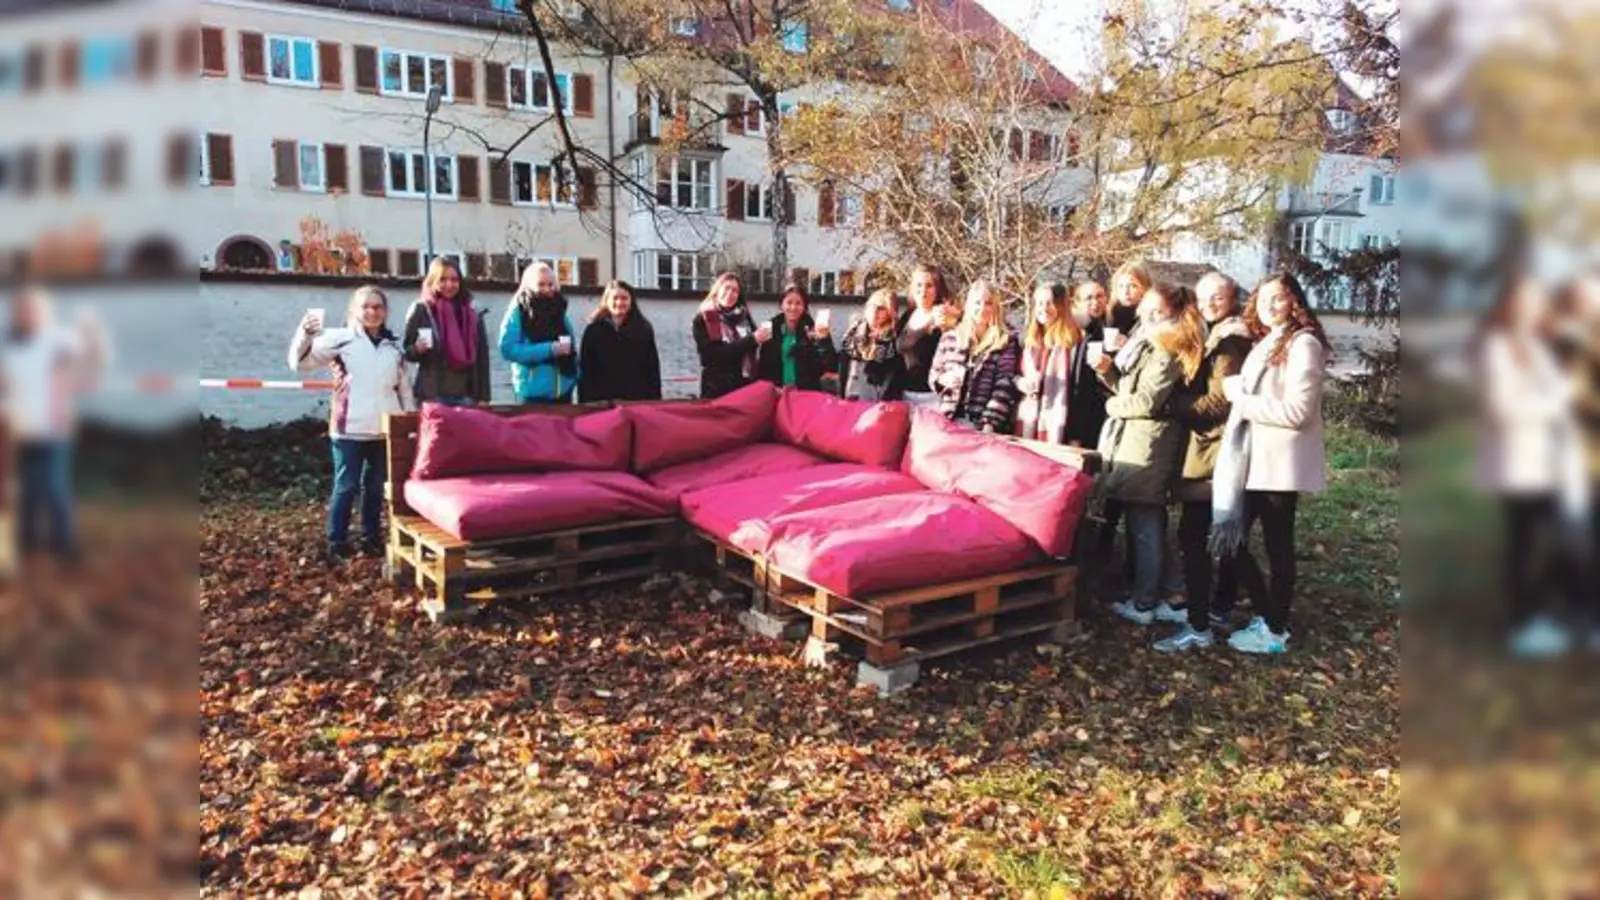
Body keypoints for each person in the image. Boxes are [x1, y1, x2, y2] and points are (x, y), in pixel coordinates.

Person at [1215, 272, 1332, 654]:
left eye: (1278, 298)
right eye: (1263, 299)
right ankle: (1268, 614)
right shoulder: (1269, 340)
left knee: (1278, 548)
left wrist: (1241, 401)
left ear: (1294, 301)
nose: (1268, 305)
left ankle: (1275, 627)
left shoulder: (1304, 344)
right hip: (1251, 459)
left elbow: (1298, 411)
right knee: (1232, 539)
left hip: (1279, 464)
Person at [1471, 274, 1587, 657]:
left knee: (1566, 540)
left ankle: (1547, 614)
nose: (1533, 308)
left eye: (1539, 301)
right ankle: (1523, 624)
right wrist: (1559, 397)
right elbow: (1506, 409)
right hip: (1516, 465)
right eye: (1526, 300)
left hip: (1550, 462)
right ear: (1511, 304)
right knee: (1524, 545)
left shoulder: (1540, 346)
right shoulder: (1498, 347)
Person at [1091, 281, 1203, 626]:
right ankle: (1173, 594)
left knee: (1144, 526)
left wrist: (1111, 405)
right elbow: (1130, 388)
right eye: (1148, 309)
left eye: (1159, 311)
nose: (1150, 315)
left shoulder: (1167, 348)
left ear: (1173, 314)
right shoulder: (1147, 340)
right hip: (1134, 440)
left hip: (1148, 446)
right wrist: (1107, 372)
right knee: (1148, 522)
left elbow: (1146, 402)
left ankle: (1144, 603)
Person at [1154, 271, 1255, 652]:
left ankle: (1201, 624)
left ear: (1231, 300)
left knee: (1197, 538)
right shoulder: (1213, 336)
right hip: (1208, 453)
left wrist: (1172, 402)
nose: (1211, 302)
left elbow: (1218, 402)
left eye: (1220, 297)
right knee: (1218, 540)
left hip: (1214, 455)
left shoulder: (1229, 343)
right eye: (1205, 296)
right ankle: (1218, 610)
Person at [288, 286, 413, 564]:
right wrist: (305, 334)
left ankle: (371, 537)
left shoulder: (393, 347)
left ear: (385, 312)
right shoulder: (337, 339)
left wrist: (408, 420)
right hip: (349, 429)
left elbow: (403, 388)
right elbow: (299, 363)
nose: (372, 312)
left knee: (375, 487)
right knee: (346, 486)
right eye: (366, 306)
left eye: (377, 307)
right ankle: (337, 541)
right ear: (355, 310)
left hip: (384, 429)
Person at [0, 287, 105, 568]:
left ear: (43, 312)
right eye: (22, 310)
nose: (26, 315)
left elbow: (89, 364)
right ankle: (29, 546)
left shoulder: (59, 341)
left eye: (32, 309)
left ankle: (64, 547)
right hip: (16, 431)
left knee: (52, 488)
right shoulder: (8, 345)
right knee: (24, 492)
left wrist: (92, 333)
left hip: (53, 430)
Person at [929, 280, 1021, 432]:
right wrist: (943, 380)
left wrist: (990, 423)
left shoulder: (1006, 341)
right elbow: (934, 375)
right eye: (977, 302)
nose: (982, 308)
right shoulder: (950, 337)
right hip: (949, 420)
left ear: (996, 307)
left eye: (988, 303)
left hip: (984, 424)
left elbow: (1004, 385)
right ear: (969, 305)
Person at [402, 257, 490, 406]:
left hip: (467, 395)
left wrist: (484, 397)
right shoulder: (422, 310)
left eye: (454, 279)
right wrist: (417, 349)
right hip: (432, 395)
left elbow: (482, 358)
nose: (449, 285)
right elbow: (406, 352)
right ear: (433, 281)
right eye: (442, 279)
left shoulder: (472, 312)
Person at [1015, 281, 1085, 444]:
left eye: (1050, 303)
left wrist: (1077, 434)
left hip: (1061, 427)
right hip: (1025, 420)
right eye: (1039, 303)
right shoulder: (1025, 340)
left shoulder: (1074, 342)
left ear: (1062, 306)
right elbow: (1012, 375)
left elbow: (1079, 391)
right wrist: (1020, 382)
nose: (1043, 308)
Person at [500, 262, 579, 403]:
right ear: (530, 284)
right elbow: (508, 349)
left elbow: (571, 346)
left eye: (550, 284)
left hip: (563, 391)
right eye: (541, 285)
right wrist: (549, 349)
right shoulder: (518, 312)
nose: (547, 289)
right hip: (532, 395)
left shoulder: (559, 309)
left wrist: (575, 375)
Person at [577, 280, 662, 403]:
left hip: (636, 401)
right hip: (601, 403)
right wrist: (585, 403)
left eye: (624, 298)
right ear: (606, 301)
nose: (619, 302)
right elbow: (585, 371)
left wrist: (654, 402)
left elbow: (652, 369)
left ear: (631, 301)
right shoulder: (593, 331)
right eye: (615, 298)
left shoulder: (643, 330)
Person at [892, 263, 960, 406]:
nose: (923, 291)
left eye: (929, 285)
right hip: (905, 396)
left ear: (937, 289)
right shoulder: (908, 315)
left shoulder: (942, 315)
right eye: (918, 285)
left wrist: (956, 317)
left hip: (932, 398)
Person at [692, 272, 765, 399]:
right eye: (727, 288)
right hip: (717, 388)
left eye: (735, 291)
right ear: (717, 290)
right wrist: (752, 339)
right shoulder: (705, 318)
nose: (730, 293)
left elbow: (752, 352)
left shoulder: (745, 317)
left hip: (744, 386)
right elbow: (711, 356)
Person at [757, 283, 838, 391]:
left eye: (798, 303)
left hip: (806, 395)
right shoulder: (771, 330)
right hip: (778, 393)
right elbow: (764, 367)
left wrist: (824, 339)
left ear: (804, 307)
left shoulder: (813, 330)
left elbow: (831, 366)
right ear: (782, 305)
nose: (793, 307)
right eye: (789, 303)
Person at [1064, 279, 1111, 448]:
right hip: (1067, 411)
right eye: (1088, 298)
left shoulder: (1111, 331)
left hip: (1097, 413)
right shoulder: (1068, 331)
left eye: (1099, 297)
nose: (1095, 302)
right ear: (1076, 303)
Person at [840, 288, 902, 401]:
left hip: (878, 404)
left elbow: (875, 376)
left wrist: (880, 343)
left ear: (890, 313)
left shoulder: (894, 339)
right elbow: (840, 366)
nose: (875, 311)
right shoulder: (854, 332)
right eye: (872, 306)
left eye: (881, 308)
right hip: (850, 398)